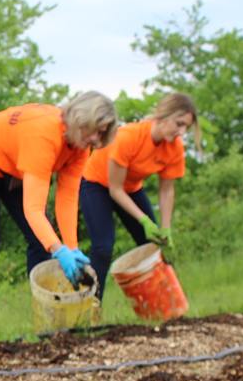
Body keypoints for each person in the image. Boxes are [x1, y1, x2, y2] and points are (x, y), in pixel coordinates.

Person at [0, 92, 118, 333]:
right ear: (78, 119)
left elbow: (67, 198)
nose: (96, 138)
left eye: (102, 133)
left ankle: (44, 320)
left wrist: (71, 247)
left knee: (41, 241)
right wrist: (59, 250)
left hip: (14, 168)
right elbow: (33, 210)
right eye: (94, 130)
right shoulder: (44, 136)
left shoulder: (81, 146)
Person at [80, 92, 199, 298]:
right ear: (164, 116)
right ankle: (91, 308)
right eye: (178, 124)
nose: (181, 132)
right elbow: (115, 189)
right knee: (103, 247)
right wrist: (143, 219)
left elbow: (167, 189)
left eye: (186, 127)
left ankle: (167, 304)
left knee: (153, 247)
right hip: (96, 185)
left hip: (131, 188)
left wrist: (165, 227)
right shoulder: (129, 137)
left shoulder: (175, 148)